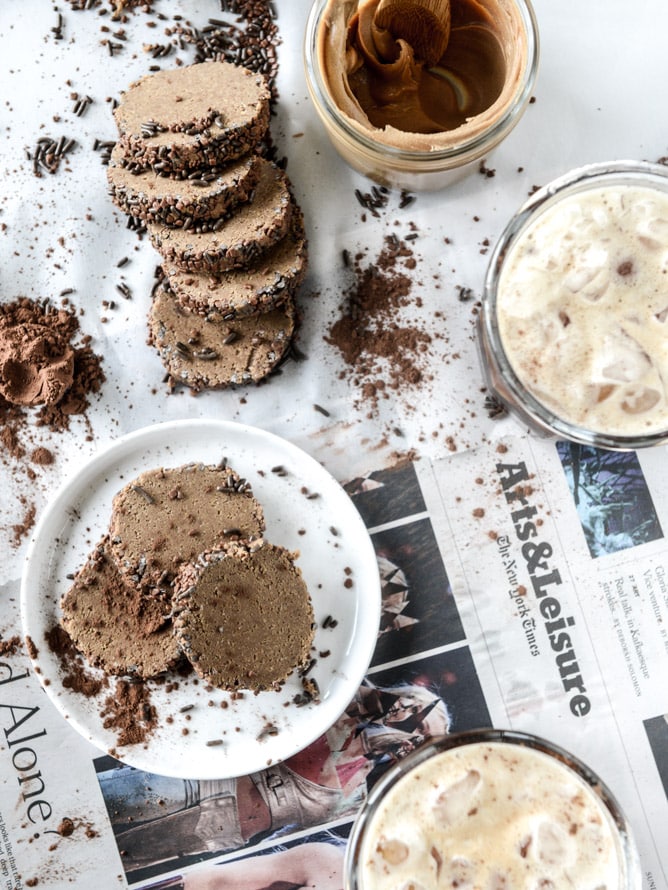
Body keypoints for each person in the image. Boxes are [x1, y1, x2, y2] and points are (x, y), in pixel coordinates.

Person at [99, 679, 451, 874]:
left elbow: (294, 840)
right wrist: (374, 712)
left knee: (117, 860)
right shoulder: (343, 705)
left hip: (217, 835)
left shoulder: (359, 795)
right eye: (418, 720)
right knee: (103, 803)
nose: (413, 735)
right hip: (198, 783)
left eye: (423, 741)